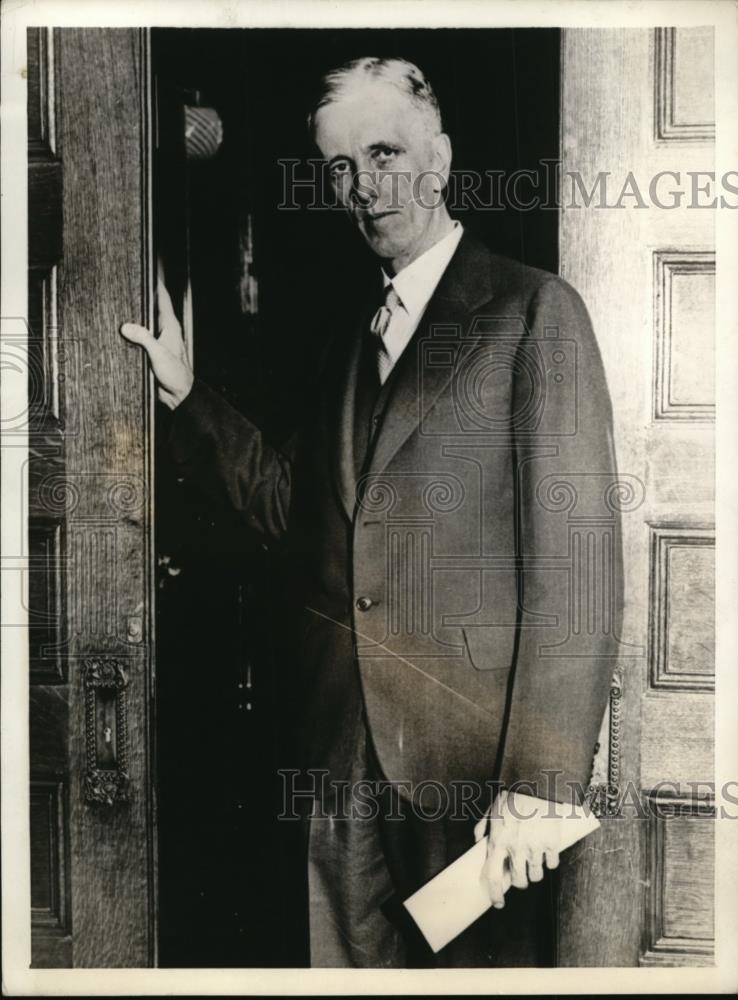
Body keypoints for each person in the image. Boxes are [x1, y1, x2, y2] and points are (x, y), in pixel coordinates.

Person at [122, 56, 623, 968]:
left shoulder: (532, 312)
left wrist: (540, 782)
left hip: (473, 776)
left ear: (437, 160)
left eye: (384, 153)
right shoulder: (350, 337)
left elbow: (577, 566)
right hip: (338, 764)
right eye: (342, 168)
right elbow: (289, 506)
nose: (364, 186)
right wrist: (188, 395)